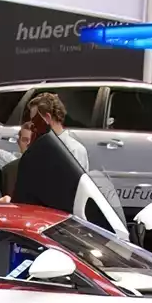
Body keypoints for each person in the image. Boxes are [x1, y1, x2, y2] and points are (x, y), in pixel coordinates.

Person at [11, 93, 121, 233]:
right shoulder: (39, 147)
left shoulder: (73, 149)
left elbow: (75, 193)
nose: (33, 126)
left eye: (34, 120)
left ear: (47, 118)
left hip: (62, 225)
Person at [0, 120, 35, 199]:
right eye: (25, 140)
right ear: (18, 142)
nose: (28, 144)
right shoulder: (8, 171)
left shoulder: (49, 170)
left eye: (32, 140)